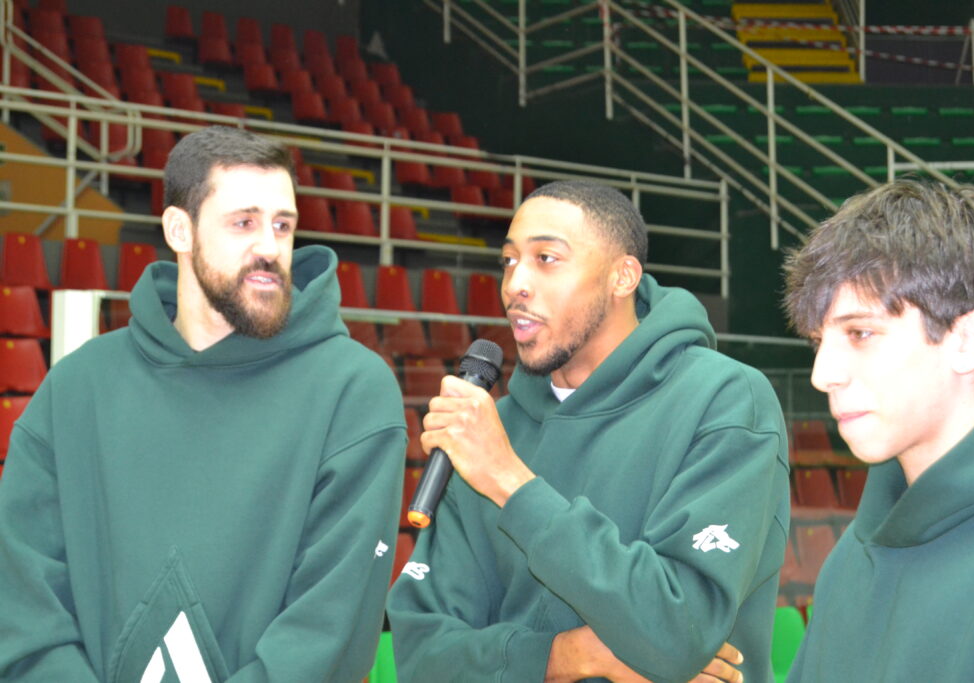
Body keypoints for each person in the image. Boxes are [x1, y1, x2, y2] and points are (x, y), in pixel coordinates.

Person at [0, 126, 406, 681]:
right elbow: (23, 604)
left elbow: (326, 635)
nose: (270, 247)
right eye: (243, 222)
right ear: (179, 229)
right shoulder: (77, 387)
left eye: (282, 225)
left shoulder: (352, 391)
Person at [388, 179, 790, 682]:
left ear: (622, 277)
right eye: (509, 260)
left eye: (546, 258)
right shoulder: (490, 432)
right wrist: (567, 657)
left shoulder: (724, 399)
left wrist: (511, 481)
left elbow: (678, 632)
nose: (515, 284)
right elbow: (422, 656)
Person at [783, 179, 974, 681]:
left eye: (860, 333)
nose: (822, 374)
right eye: (818, 341)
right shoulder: (852, 555)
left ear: (965, 340)